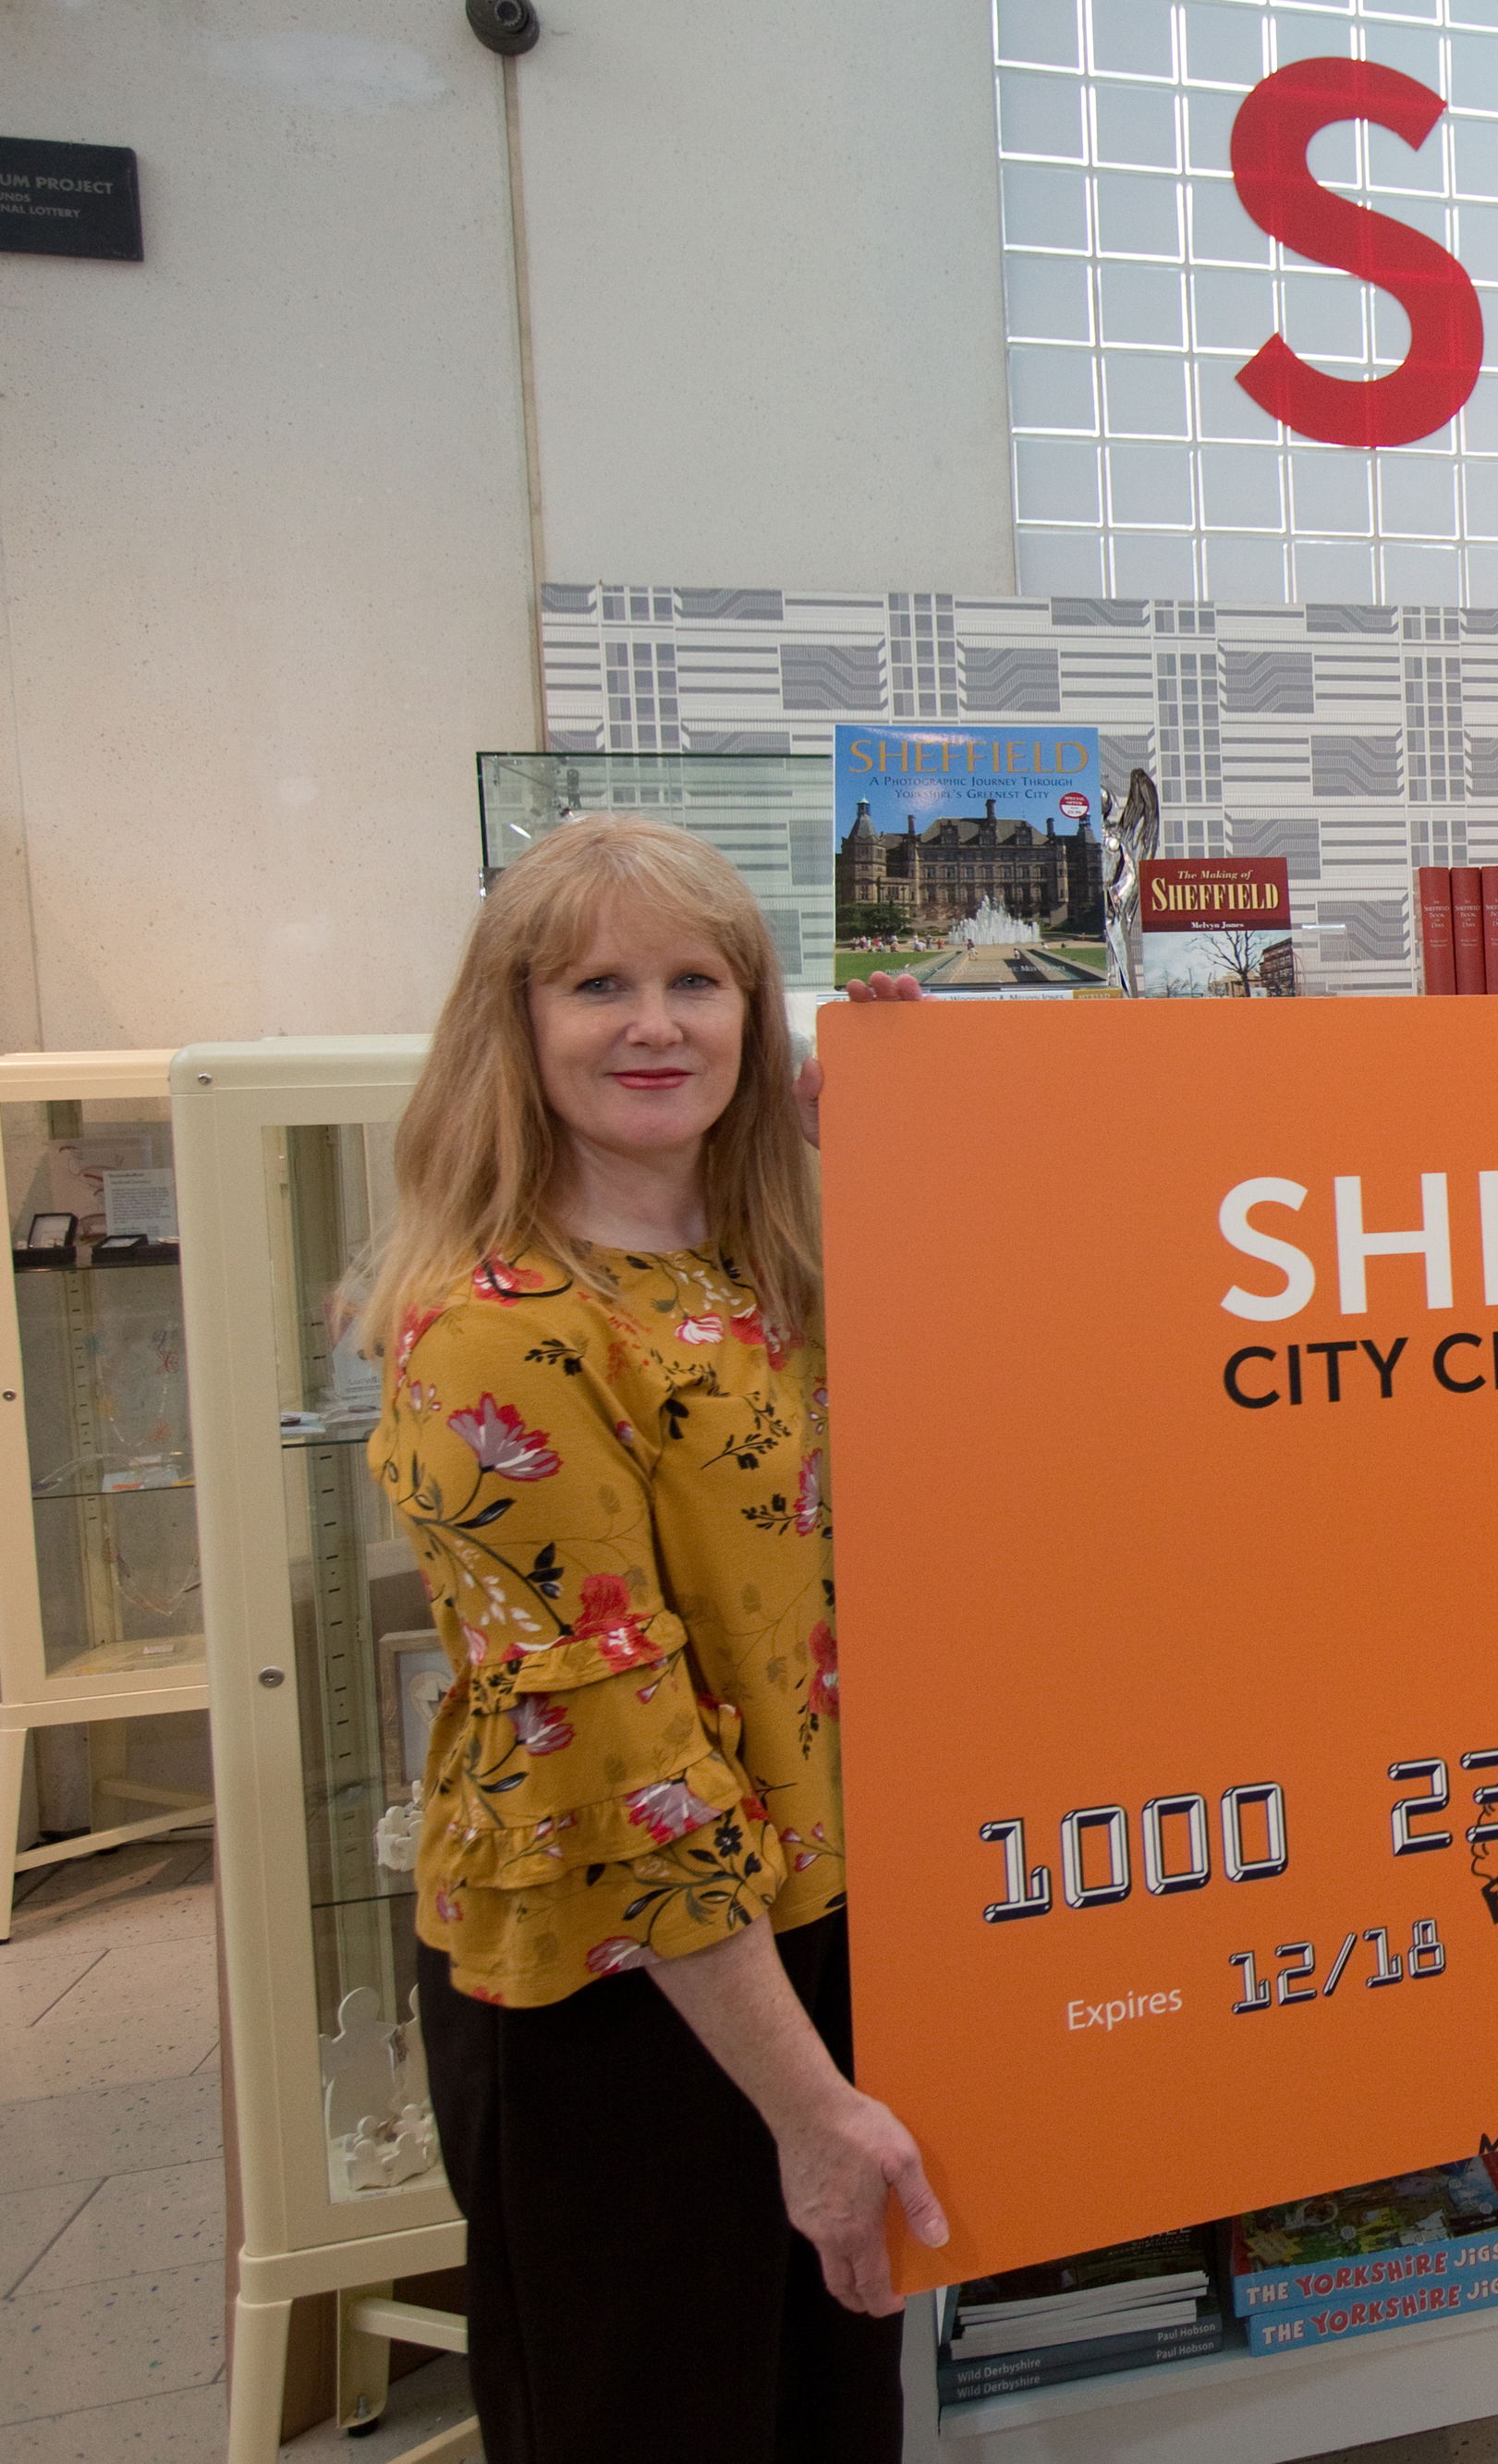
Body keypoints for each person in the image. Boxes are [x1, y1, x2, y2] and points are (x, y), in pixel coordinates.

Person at [362, 815, 935, 2461]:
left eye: (699, 981)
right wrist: (806, 2107)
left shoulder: (756, 1268)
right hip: (626, 1990)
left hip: (803, 1919)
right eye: (597, 984)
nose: (654, 1024)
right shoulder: (495, 1325)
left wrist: (893, 1131)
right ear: (513, 1023)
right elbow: (630, 1773)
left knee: (825, 2413)